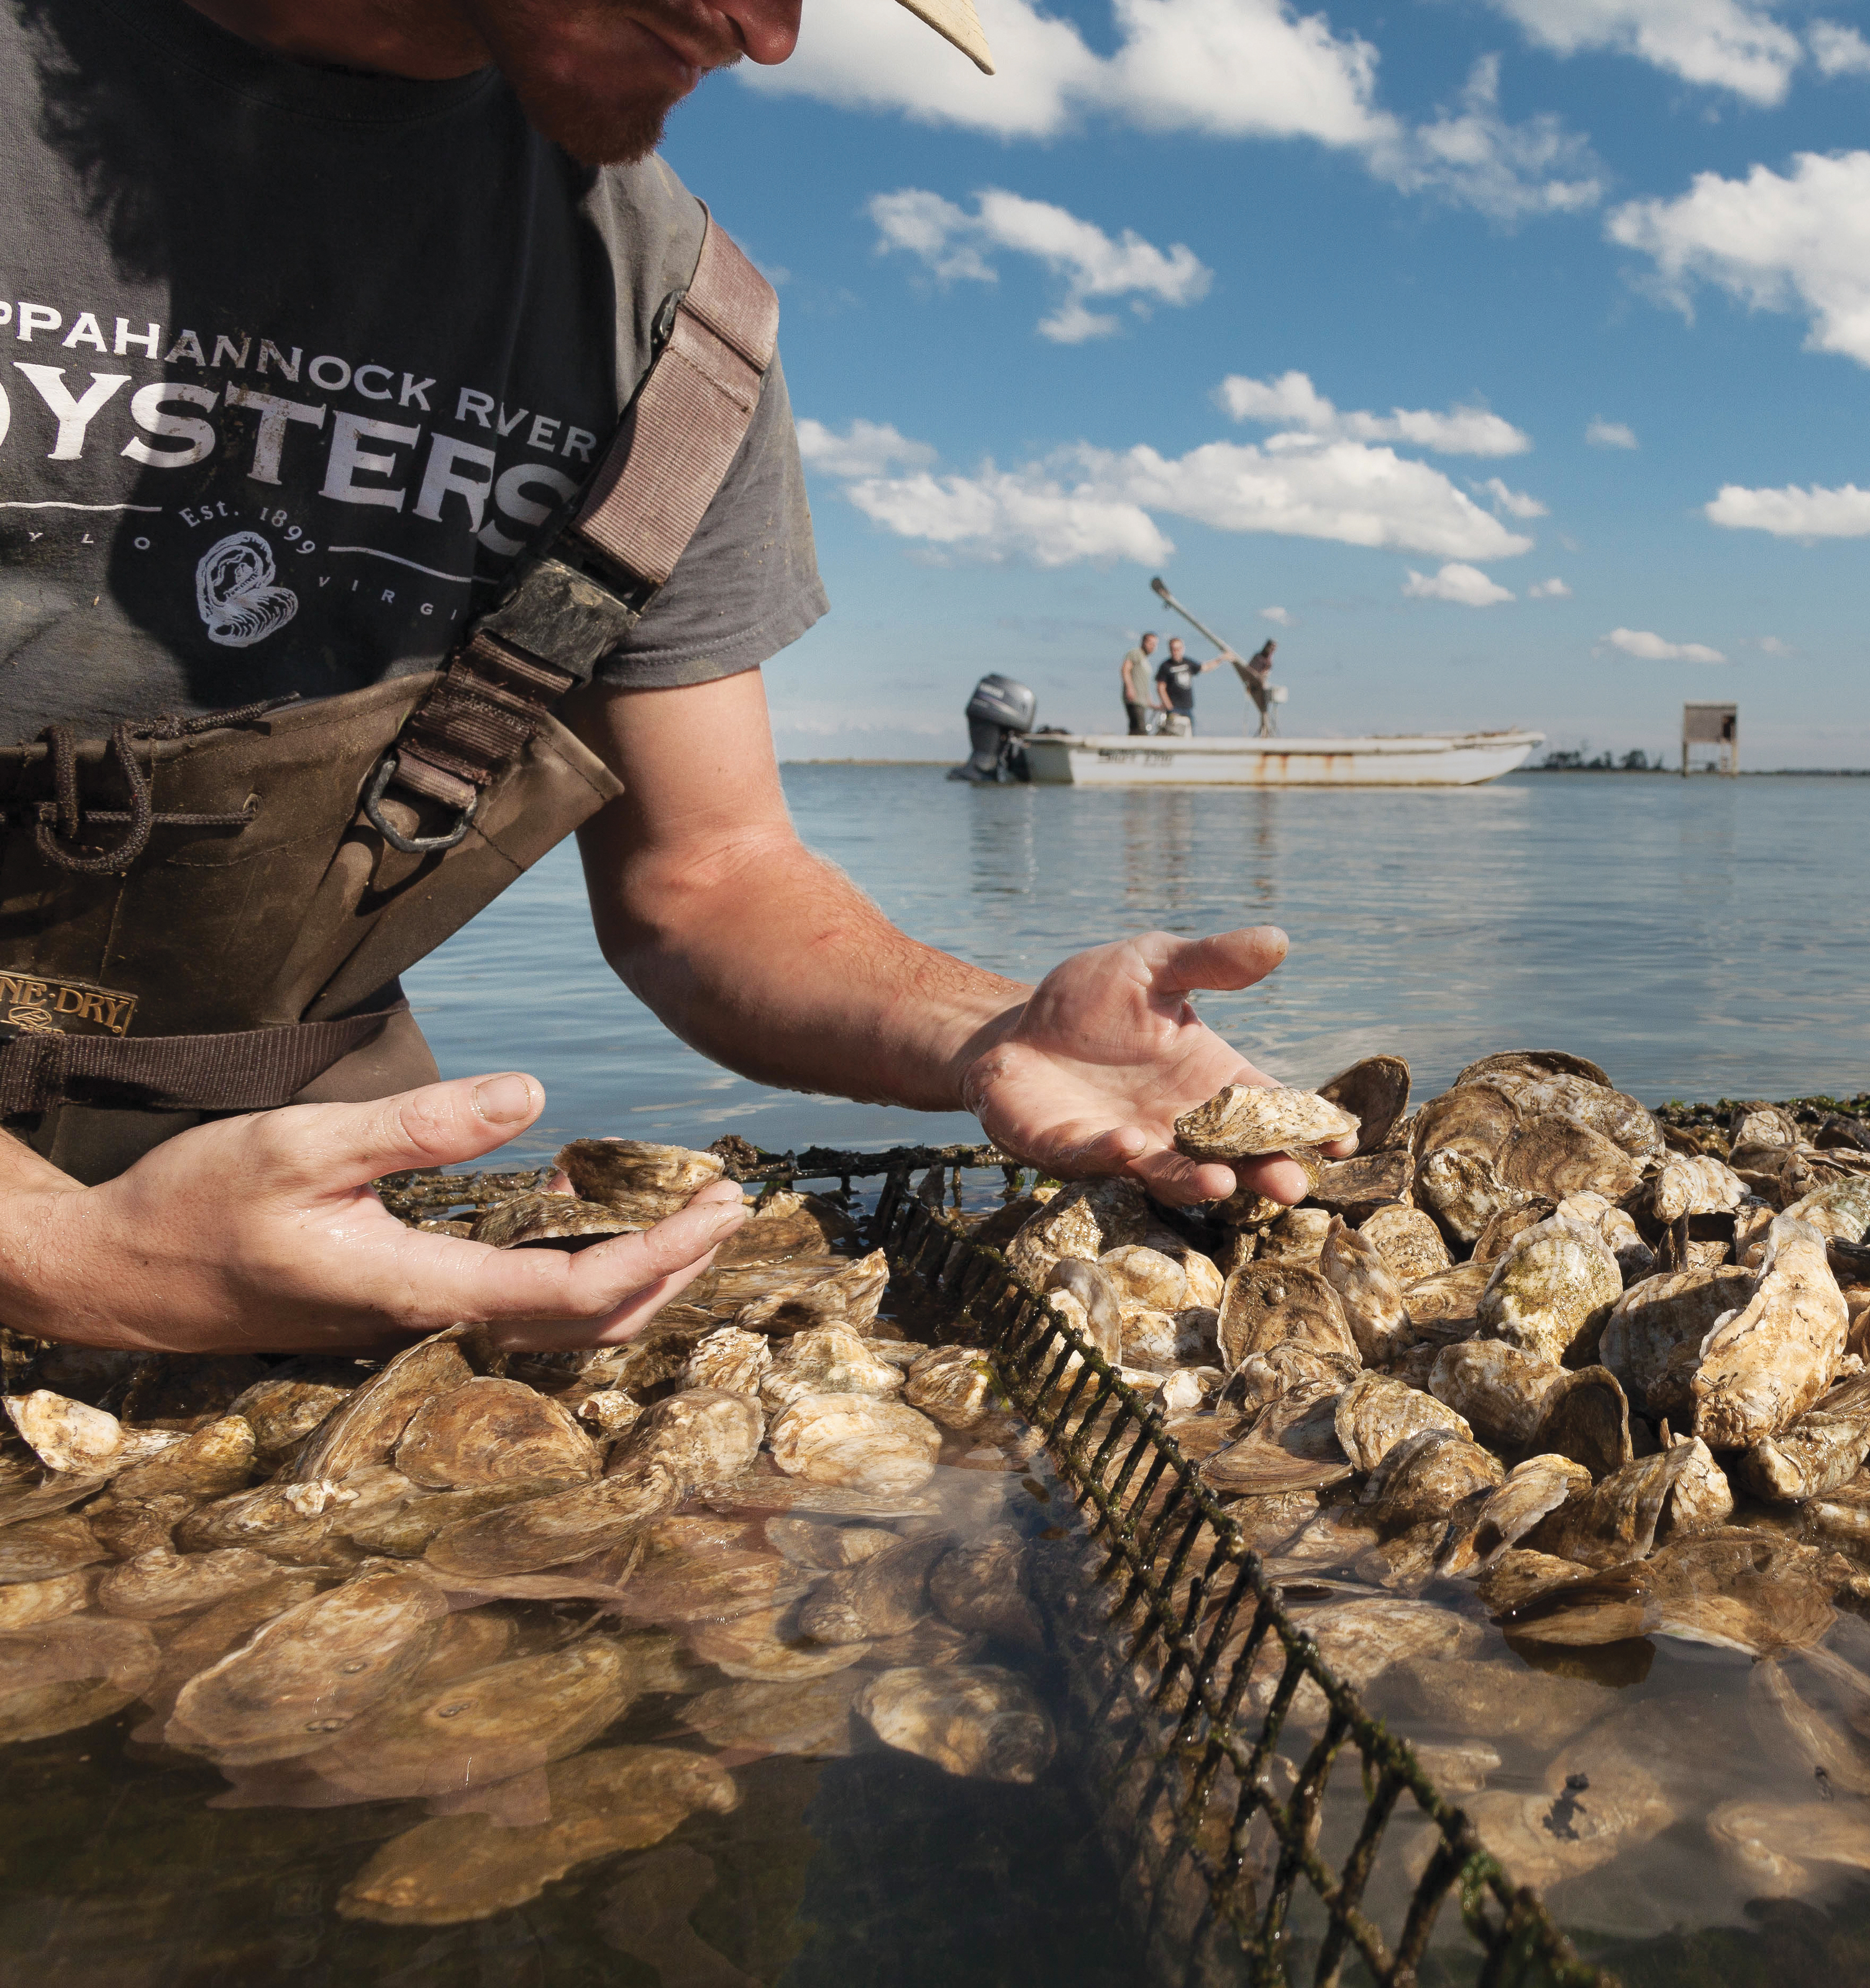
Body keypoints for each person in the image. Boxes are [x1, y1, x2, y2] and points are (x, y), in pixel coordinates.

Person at [0, 0, 1338, 1357]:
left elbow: (707, 881)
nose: (771, 35)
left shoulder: (673, 319)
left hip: (322, 1185)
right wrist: (61, 1251)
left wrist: (990, 1032)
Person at [1150, 635, 1229, 737]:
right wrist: (1169, 708)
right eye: (1173, 649)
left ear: (1183, 649)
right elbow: (1160, 688)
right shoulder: (1166, 666)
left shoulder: (1188, 663)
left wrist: (1221, 659)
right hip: (1174, 709)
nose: (1176, 652)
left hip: (1188, 708)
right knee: (1174, 736)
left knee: (1189, 737)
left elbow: (1205, 667)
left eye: (1178, 649)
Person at [1118, 631, 1160, 736]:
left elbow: (1144, 684)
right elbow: (1125, 669)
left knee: (1135, 730)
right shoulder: (1136, 653)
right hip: (1134, 699)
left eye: (1155, 644)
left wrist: (1150, 702)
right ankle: (1139, 751)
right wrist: (1130, 688)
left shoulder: (1145, 660)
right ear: (1144, 642)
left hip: (1142, 701)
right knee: (1140, 729)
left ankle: (1129, 751)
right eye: (1150, 643)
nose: (1153, 646)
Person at [1237, 641, 1280, 739]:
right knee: (1263, 711)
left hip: (1262, 687)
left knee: (1264, 711)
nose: (1272, 650)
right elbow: (1249, 670)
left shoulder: (1268, 661)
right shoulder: (1258, 658)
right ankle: (1264, 732)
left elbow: (1266, 673)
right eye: (1271, 648)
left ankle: (1265, 733)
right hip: (1254, 686)